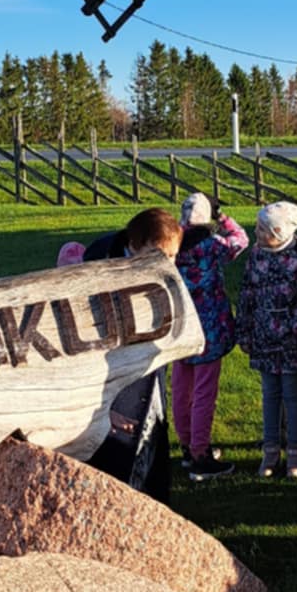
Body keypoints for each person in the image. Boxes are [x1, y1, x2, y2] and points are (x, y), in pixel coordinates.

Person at [81, 207, 181, 502]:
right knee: (113, 458)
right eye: (158, 254)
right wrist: (106, 406)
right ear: (134, 246)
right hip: (110, 382)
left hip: (149, 373)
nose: (166, 263)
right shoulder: (100, 266)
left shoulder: (157, 269)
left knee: (150, 442)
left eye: (173, 256)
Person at [238, 200, 297, 479]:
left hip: (290, 339)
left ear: (282, 232)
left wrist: (292, 324)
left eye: (264, 230)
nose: (258, 233)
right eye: (258, 228)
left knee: (293, 395)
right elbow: (247, 292)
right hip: (262, 334)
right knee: (270, 394)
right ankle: (270, 450)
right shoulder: (256, 255)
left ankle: (295, 452)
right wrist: (245, 329)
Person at [171, 191, 247, 482]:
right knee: (204, 393)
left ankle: (187, 447)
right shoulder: (211, 245)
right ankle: (201, 453)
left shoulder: (172, 246)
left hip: (180, 327)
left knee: (181, 388)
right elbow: (241, 239)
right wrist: (223, 217)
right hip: (209, 328)